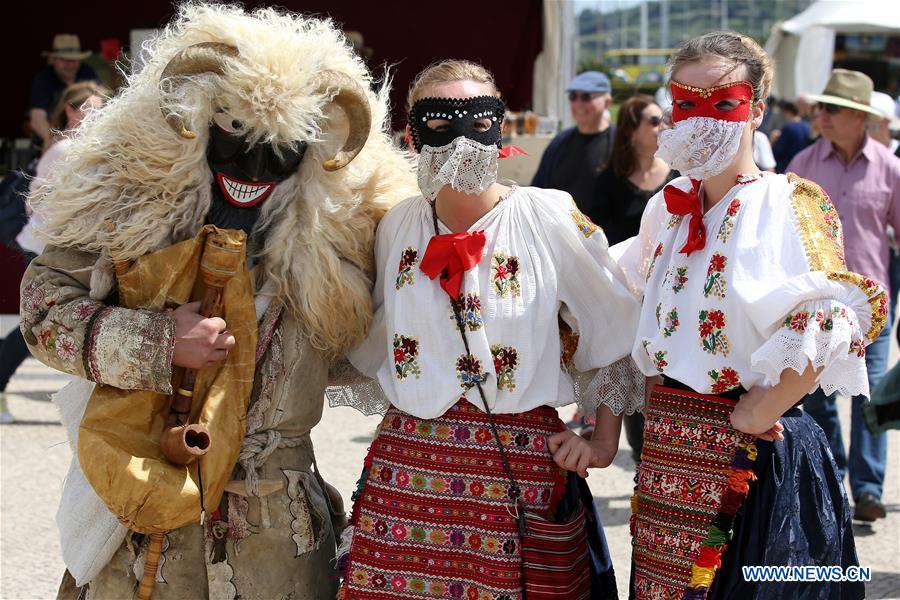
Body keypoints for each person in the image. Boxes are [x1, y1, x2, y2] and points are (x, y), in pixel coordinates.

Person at [20, 5, 416, 598]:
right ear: (196, 121)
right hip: (141, 512)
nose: (255, 167)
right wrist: (154, 343)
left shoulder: (348, 239)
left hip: (273, 536)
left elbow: (396, 335)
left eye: (283, 147)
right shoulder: (126, 205)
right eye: (234, 132)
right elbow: (42, 309)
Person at [336, 59, 642, 599]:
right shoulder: (396, 225)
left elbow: (613, 323)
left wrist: (602, 439)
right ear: (413, 134)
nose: (462, 139)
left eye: (478, 122)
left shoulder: (548, 216)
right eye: (440, 122)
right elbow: (370, 333)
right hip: (408, 470)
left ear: (499, 126)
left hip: (518, 468)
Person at [616, 32, 883, 598]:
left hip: (755, 456)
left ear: (757, 110)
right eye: (684, 104)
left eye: (721, 101)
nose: (698, 119)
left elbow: (829, 317)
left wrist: (759, 409)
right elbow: (624, 299)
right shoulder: (665, 206)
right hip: (669, 454)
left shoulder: (789, 200)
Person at [787, 68, 900, 523]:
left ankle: (869, 491)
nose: (821, 116)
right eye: (820, 107)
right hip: (818, 306)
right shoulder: (802, 166)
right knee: (818, 398)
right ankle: (832, 481)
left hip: (872, 308)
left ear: (859, 117)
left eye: (831, 109)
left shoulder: (891, 168)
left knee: (868, 398)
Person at [0, 82, 110, 425]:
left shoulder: (76, 149)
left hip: (61, 246)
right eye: (92, 110)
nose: (99, 117)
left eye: (103, 111)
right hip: (51, 249)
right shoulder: (66, 151)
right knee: (44, 323)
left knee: (46, 322)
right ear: (71, 111)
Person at [531, 71, 615, 213]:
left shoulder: (620, 143)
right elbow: (538, 192)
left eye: (586, 97)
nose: (578, 104)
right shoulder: (559, 143)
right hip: (561, 232)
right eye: (573, 97)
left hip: (606, 234)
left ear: (607, 102)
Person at [28, 34, 98, 149]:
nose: (70, 65)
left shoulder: (87, 73)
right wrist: (57, 143)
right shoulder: (43, 80)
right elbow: (37, 119)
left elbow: (100, 107)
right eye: (65, 60)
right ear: (54, 60)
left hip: (84, 148)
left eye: (75, 60)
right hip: (49, 150)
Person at [771, 100, 811, 173]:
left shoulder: (788, 127)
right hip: (803, 168)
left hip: (787, 168)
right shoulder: (807, 126)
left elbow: (778, 151)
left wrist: (773, 142)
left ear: (788, 112)